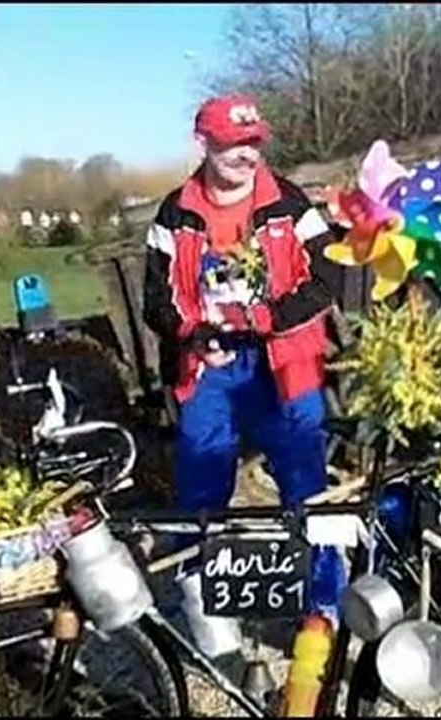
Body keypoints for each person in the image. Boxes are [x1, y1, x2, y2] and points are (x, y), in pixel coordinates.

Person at [142, 95, 338, 666]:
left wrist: (266, 318)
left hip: (284, 363)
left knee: (307, 486)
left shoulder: (289, 202)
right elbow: (156, 300)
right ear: (203, 143)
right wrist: (194, 335)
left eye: (254, 144)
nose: (247, 156)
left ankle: (323, 609)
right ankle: (210, 625)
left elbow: (326, 277)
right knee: (200, 489)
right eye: (233, 145)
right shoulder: (174, 213)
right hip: (211, 369)